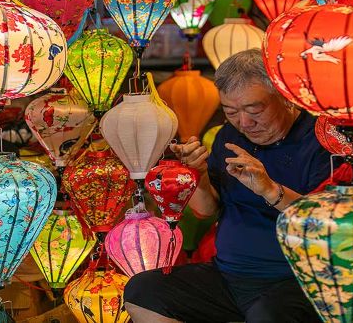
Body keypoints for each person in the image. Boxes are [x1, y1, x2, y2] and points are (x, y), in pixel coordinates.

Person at [124, 49, 331, 323]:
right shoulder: (229, 136)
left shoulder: (321, 140)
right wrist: (198, 176)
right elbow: (208, 210)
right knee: (142, 291)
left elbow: (327, 223)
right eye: (231, 111)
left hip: (297, 281)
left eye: (254, 110)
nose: (244, 123)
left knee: (266, 315)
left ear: (284, 95)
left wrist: (269, 189)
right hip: (229, 274)